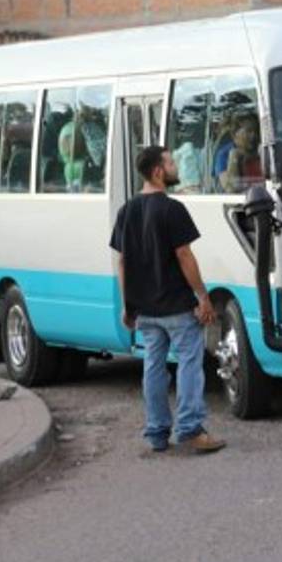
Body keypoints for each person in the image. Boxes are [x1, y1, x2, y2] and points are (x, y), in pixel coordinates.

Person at [110, 146, 225, 454]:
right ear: (158, 172)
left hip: (144, 308)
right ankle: (190, 428)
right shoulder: (172, 209)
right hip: (175, 305)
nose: (176, 168)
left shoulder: (127, 211)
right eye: (171, 162)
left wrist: (126, 304)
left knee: (153, 366)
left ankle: (157, 432)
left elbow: (122, 261)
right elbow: (184, 254)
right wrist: (202, 296)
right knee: (189, 363)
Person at [217, 112, 263, 193]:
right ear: (235, 133)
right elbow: (230, 189)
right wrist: (234, 158)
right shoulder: (224, 154)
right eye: (249, 131)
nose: (253, 135)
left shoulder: (260, 150)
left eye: (255, 131)